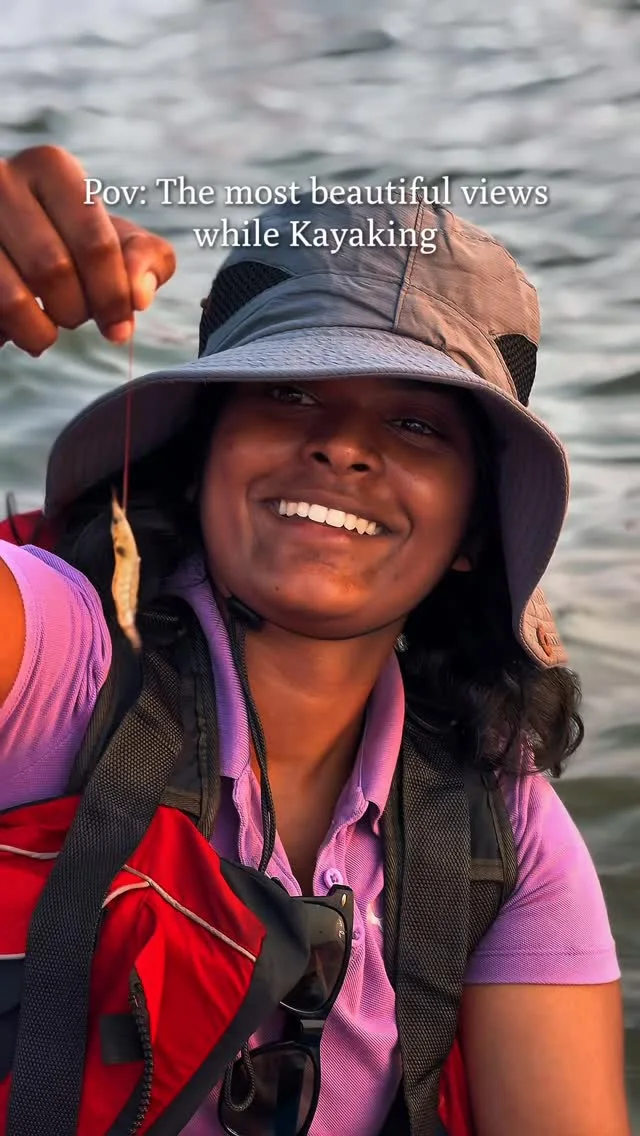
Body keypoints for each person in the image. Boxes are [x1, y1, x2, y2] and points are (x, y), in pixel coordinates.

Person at [0, 145, 632, 1136]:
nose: (343, 445)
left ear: (473, 530)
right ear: (199, 445)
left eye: (418, 425)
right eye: (288, 394)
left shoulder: (505, 830)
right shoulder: (57, 653)